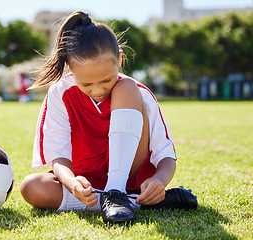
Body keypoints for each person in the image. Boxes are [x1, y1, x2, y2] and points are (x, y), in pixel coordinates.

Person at [20, 11, 197, 224]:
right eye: (86, 84)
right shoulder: (60, 93)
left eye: (106, 80)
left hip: (131, 178)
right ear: (70, 68)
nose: (97, 90)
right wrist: (72, 183)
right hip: (89, 183)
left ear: (119, 59)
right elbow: (59, 157)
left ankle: (117, 192)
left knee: (127, 88)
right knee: (32, 187)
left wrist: (158, 180)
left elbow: (166, 156)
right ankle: (136, 202)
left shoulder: (137, 92)